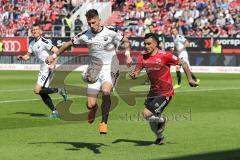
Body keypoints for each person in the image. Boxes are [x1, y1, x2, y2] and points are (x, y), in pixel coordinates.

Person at [46, 9, 132, 134]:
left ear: (99, 20)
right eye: (89, 23)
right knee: (90, 105)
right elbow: (66, 44)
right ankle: (94, 109)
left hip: (110, 68)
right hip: (94, 70)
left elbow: (126, 41)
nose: (91, 25)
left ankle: (103, 123)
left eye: (93, 22)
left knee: (106, 91)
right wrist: (53, 56)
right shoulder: (85, 34)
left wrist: (128, 55)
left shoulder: (111, 31)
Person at [129, 33, 198, 145]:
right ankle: (160, 138)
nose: (146, 46)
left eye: (149, 44)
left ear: (156, 44)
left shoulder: (165, 55)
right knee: (151, 121)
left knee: (147, 114)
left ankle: (163, 120)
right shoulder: (142, 57)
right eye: (145, 44)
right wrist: (134, 75)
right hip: (152, 92)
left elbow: (183, 63)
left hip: (165, 92)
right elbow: (136, 72)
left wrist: (190, 79)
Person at [17, 23, 67, 118]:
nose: (34, 31)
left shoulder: (44, 41)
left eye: (36, 29)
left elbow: (57, 51)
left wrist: (53, 64)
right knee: (41, 91)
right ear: (31, 32)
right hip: (42, 68)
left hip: (47, 67)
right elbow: (28, 56)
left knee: (37, 90)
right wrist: (22, 57)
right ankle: (55, 111)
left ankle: (59, 89)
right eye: (33, 30)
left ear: (40, 31)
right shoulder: (32, 43)